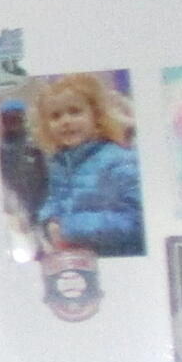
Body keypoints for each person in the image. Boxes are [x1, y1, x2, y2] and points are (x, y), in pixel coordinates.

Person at [26, 73, 143, 257]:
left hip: (117, 258)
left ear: (96, 115)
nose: (66, 121)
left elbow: (136, 220)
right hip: (76, 259)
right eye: (56, 116)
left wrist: (70, 228)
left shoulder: (118, 160)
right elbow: (54, 200)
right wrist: (49, 220)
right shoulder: (59, 163)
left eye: (75, 112)